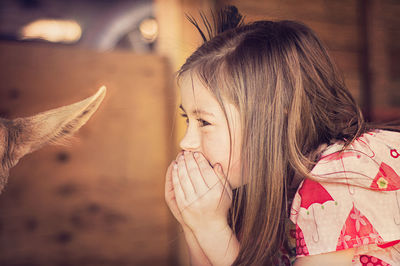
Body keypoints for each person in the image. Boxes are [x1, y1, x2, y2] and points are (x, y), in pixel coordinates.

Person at [164, 6, 400, 265]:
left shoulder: (342, 178)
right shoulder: (262, 188)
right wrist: (194, 224)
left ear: (277, 116)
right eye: (188, 119)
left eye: (204, 122)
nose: (186, 142)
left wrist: (211, 227)